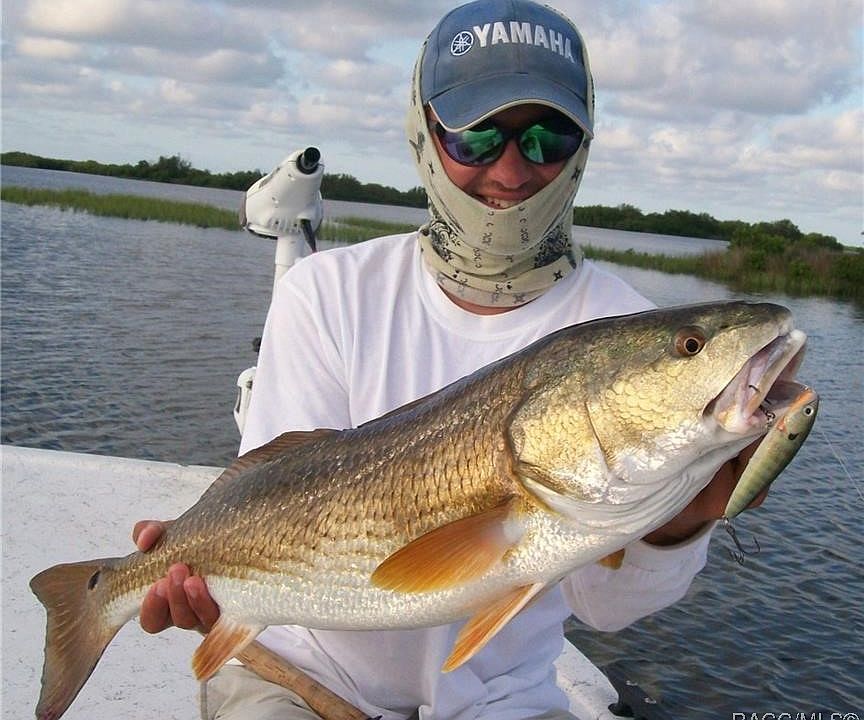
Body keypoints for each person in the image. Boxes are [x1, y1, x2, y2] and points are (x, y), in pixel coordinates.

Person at [134, 1, 761, 718]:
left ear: (584, 145)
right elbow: (277, 494)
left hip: (507, 699)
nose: (511, 170)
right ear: (425, 133)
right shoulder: (327, 291)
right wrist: (202, 577)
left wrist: (677, 525)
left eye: (547, 137)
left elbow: (605, 607)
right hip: (299, 668)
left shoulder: (623, 328)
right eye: (477, 136)